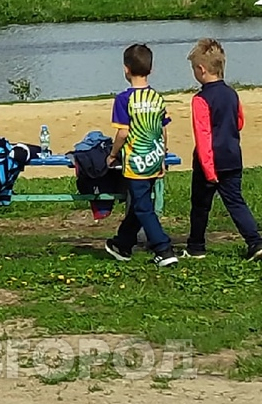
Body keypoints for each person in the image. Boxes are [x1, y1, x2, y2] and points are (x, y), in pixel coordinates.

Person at [184, 39, 261, 260]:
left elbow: (203, 136)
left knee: (200, 206)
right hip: (232, 156)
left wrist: (208, 170)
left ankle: (196, 246)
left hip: (209, 161)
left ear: (201, 69)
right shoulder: (232, 94)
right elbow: (239, 122)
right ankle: (255, 242)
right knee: (236, 202)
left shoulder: (200, 99)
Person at [104, 44, 178, 267]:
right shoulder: (157, 98)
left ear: (126, 69)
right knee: (140, 202)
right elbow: (163, 128)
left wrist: (113, 153)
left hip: (136, 160)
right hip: (155, 156)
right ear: (151, 69)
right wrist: (163, 154)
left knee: (144, 206)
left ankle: (163, 248)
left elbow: (123, 132)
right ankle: (122, 243)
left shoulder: (124, 99)